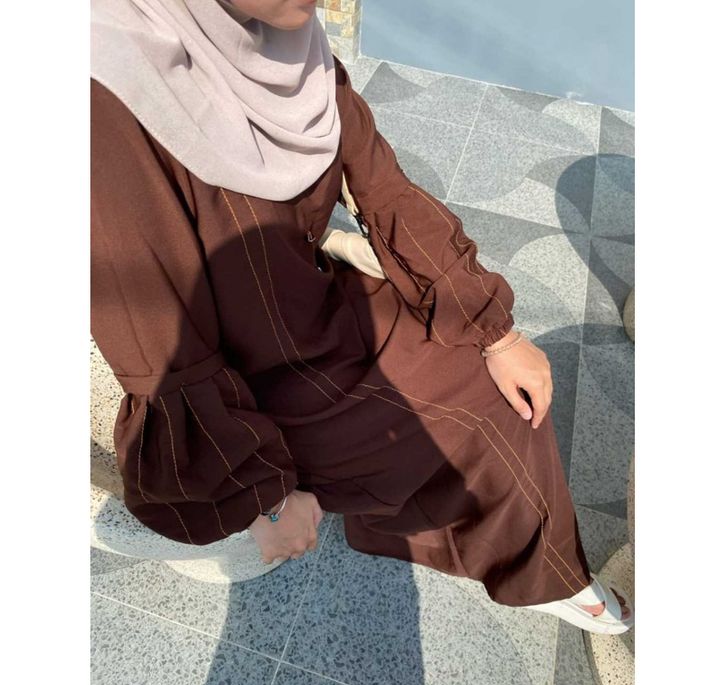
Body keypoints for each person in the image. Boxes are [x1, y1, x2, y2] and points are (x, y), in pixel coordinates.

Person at [90, 0, 632, 635]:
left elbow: (384, 189)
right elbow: (154, 334)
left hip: (314, 303)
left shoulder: (286, 41)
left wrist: (495, 328)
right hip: (247, 377)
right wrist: (262, 497)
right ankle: (542, 570)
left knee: (498, 380)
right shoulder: (109, 83)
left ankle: (531, 560)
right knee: (483, 415)